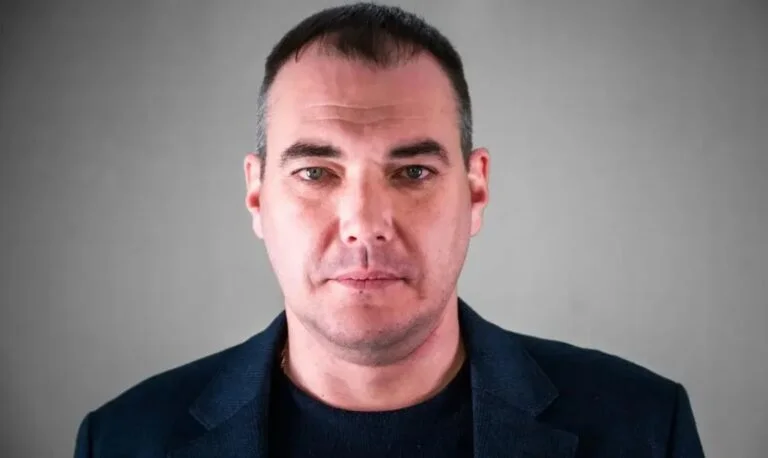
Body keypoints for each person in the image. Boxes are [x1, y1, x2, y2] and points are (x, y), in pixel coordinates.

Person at [74, 3, 705, 457]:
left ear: (475, 190)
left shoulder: (645, 428)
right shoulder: (124, 440)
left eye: (412, 172)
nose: (365, 225)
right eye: (316, 172)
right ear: (257, 194)